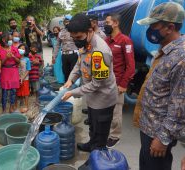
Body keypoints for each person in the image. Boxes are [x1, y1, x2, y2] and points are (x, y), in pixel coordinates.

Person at [135, 2, 185, 170]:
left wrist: (163, 139)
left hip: (158, 133)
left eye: (153, 25)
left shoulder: (181, 57)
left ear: (169, 27)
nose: (150, 29)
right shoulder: (165, 49)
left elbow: (180, 105)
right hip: (148, 127)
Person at [61, 13, 118, 152]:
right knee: (93, 125)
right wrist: (70, 79)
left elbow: (96, 84)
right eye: (73, 38)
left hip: (103, 99)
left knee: (100, 134)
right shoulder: (85, 43)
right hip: (92, 98)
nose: (76, 41)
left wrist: (72, 92)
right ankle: (91, 144)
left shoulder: (100, 51)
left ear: (90, 30)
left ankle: (95, 158)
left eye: (78, 37)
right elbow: (79, 64)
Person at [104, 13, 135, 148]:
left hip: (117, 83)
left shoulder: (125, 41)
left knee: (116, 111)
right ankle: (106, 131)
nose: (105, 25)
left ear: (116, 23)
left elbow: (131, 66)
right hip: (104, 82)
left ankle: (115, 136)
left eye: (107, 22)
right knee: (106, 109)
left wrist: (123, 84)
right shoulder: (106, 40)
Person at [0, 33, 20, 113]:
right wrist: (6, 58)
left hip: (14, 71)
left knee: (13, 91)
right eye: (9, 39)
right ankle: (4, 109)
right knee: (4, 91)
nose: (11, 41)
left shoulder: (14, 48)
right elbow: (0, 64)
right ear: (4, 40)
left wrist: (13, 56)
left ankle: (11, 107)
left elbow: (19, 61)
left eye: (11, 39)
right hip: (4, 71)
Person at [52, 15, 79, 82]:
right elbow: (57, 45)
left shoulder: (76, 31)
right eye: (65, 22)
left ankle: (73, 89)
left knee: (73, 73)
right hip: (64, 55)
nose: (67, 23)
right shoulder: (61, 32)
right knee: (65, 72)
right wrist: (54, 56)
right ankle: (67, 88)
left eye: (68, 22)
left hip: (74, 54)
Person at [15, 44, 31, 113]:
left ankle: (26, 106)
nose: (21, 50)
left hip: (25, 78)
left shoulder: (27, 59)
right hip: (16, 78)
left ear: (25, 51)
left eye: (23, 49)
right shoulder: (16, 59)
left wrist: (23, 78)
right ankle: (15, 106)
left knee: (26, 93)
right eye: (20, 48)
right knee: (17, 92)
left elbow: (28, 69)